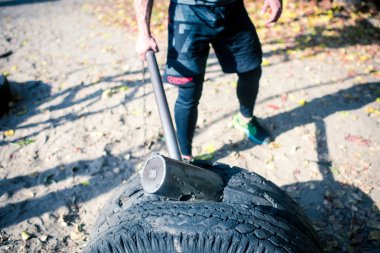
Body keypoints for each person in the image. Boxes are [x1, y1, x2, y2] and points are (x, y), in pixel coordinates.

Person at [134, 0, 282, 160]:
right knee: (189, 91)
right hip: (187, 13)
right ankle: (185, 157)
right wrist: (144, 32)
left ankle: (245, 120)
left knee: (251, 70)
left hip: (232, 9)